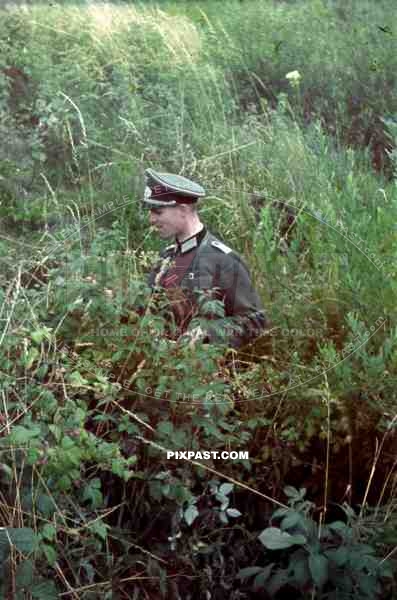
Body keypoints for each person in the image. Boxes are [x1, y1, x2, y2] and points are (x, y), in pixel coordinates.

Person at [143, 168, 268, 350]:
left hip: (206, 372)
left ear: (183, 210)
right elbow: (149, 310)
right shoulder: (166, 257)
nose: (151, 220)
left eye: (158, 212)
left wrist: (207, 335)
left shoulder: (223, 260)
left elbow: (254, 321)